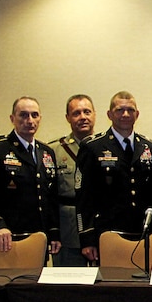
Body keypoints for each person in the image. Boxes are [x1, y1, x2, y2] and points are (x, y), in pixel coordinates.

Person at [75, 91, 152, 263]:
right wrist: (87, 239)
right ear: (109, 114)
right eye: (120, 110)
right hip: (107, 232)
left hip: (142, 232)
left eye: (130, 110)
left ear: (137, 114)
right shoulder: (93, 147)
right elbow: (84, 198)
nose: (125, 114)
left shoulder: (148, 146)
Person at [0, 97, 60, 256]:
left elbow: (51, 197)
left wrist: (54, 232)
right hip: (5, 239)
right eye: (23, 115)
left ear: (40, 118)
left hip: (38, 238)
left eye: (35, 115)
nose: (30, 120)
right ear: (12, 119)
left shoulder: (46, 152)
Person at [48, 94, 96, 266]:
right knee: (68, 286)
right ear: (67, 118)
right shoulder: (53, 150)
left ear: (95, 114)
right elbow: (47, 196)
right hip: (68, 231)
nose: (82, 117)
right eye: (76, 113)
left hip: (99, 227)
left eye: (87, 112)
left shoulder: (105, 147)